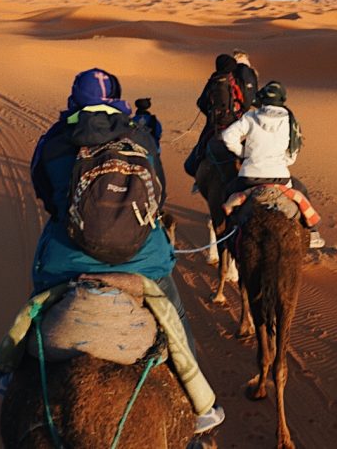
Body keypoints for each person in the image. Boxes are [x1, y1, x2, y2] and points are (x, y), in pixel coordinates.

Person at [29, 68, 225, 432]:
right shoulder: (140, 136)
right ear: (114, 100)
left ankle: (8, 370)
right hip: (142, 261)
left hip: (66, 261)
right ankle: (200, 406)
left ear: (75, 99)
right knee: (174, 317)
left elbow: (44, 194)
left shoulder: (54, 139)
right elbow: (159, 196)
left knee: (37, 307)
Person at [220, 80, 325, 249]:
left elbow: (227, 137)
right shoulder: (290, 120)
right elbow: (292, 154)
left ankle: (228, 235)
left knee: (228, 192)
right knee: (301, 190)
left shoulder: (251, 117)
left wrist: (244, 154)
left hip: (249, 178)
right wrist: (280, 160)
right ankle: (311, 231)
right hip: (280, 178)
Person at [184, 54, 245, 178]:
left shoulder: (214, 81)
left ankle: (199, 175)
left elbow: (201, 102)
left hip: (215, 126)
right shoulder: (234, 81)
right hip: (237, 123)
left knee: (193, 161)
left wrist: (210, 114)